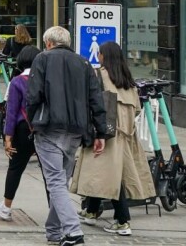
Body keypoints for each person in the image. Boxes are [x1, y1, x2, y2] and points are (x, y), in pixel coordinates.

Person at [25, 26, 107, 246]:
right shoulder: (84, 64)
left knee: (55, 182)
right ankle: (53, 231)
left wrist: (31, 122)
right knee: (59, 181)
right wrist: (101, 132)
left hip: (49, 126)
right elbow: (96, 100)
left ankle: (73, 232)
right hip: (76, 130)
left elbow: (33, 96)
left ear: (49, 43)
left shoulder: (42, 59)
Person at [73, 41, 155, 237]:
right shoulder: (128, 81)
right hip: (126, 136)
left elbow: (90, 101)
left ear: (103, 56)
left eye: (100, 54)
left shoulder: (99, 75)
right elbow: (136, 109)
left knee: (111, 178)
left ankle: (123, 220)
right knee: (100, 173)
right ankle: (91, 210)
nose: (98, 57)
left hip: (105, 134)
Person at [0, 45, 43, 221]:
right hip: (43, 129)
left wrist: (7, 138)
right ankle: (56, 211)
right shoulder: (44, 80)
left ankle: (6, 207)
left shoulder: (17, 81)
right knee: (50, 173)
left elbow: (12, 112)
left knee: (15, 168)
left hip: (22, 130)